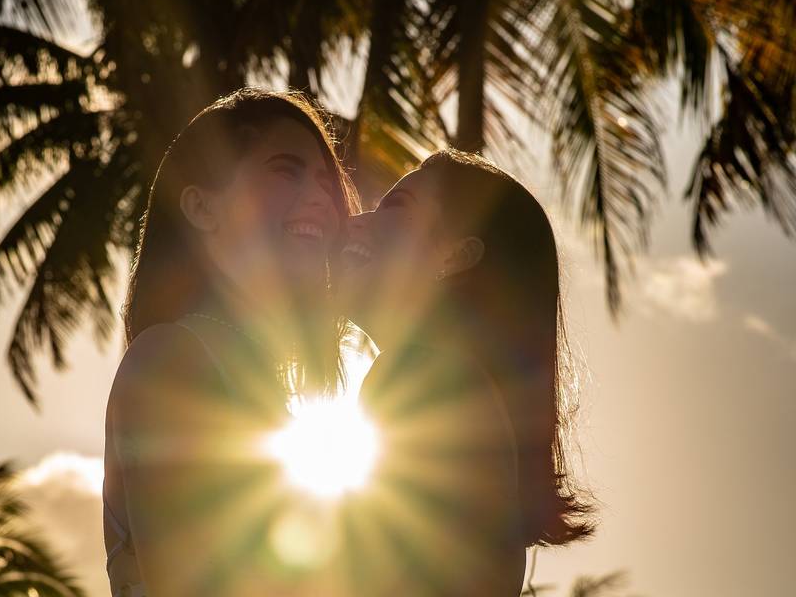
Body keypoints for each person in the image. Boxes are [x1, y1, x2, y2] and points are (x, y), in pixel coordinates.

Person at [103, 88, 359, 596]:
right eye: (287, 170)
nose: (321, 197)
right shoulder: (173, 358)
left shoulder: (260, 378)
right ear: (202, 206)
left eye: (327, 180)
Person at [338, 149, 595, 595]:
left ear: (456, 255)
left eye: (395, 207)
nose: (358, 219)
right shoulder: (462, 386)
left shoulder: (424, 372)